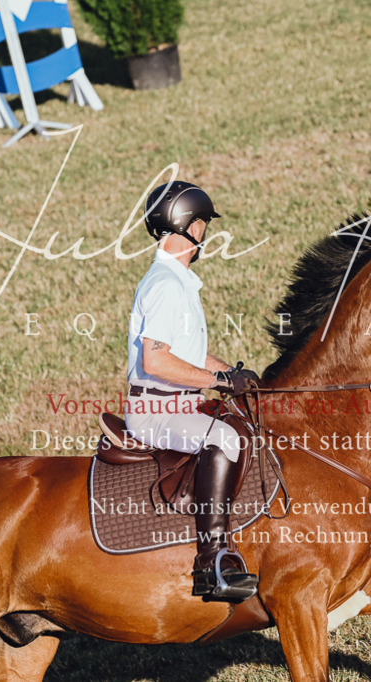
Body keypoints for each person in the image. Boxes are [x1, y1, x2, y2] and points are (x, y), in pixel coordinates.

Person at [126, 180, 259, 603]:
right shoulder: (166, 285)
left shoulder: (177, 280)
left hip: (177, 404)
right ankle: (212, 563)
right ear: (193, 227)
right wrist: (219, 383)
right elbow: (156, 362)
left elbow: (189, 355)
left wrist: (233, 373)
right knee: (224, 438)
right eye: (203, 225)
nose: (204, 234)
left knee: (241, 424)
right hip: (156, 412)